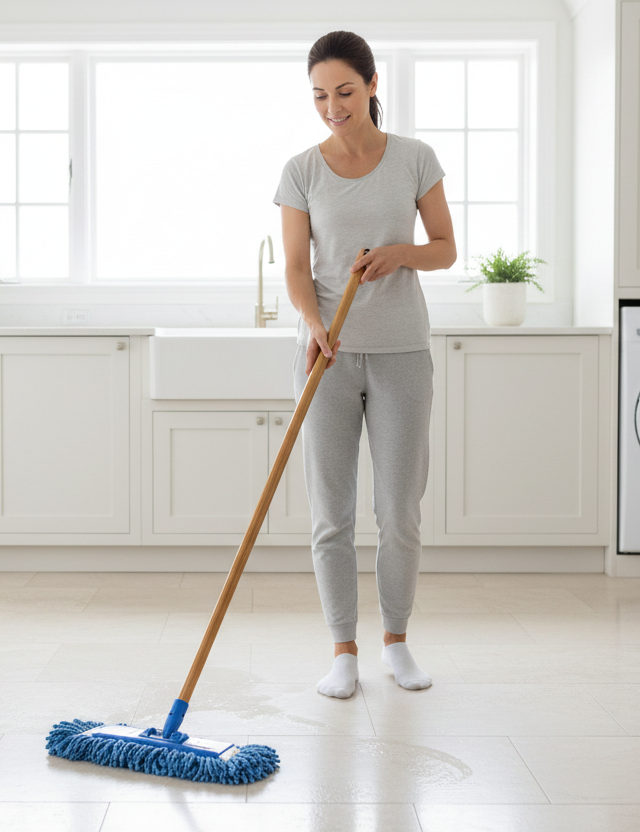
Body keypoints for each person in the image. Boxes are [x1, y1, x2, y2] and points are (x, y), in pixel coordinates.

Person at [273, 30, 457, 699]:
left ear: (373, 85)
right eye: (320, 95)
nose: (333, 107)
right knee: (332, 513)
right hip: (327, 357)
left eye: (345, 92)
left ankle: (396, 643)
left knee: (399, 510)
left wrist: (400, 254)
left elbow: (445, 248)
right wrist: (315, 325)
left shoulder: (414, 158)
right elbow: (297, 269)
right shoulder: (302, 170)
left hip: (402, 353)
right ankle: (343, 650)